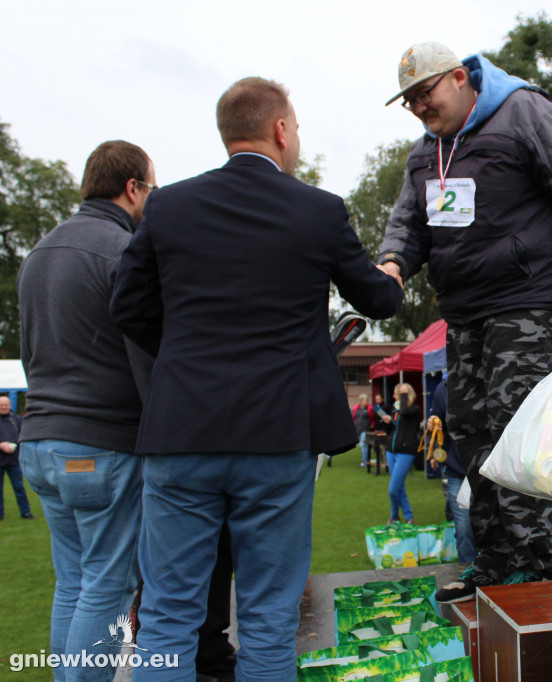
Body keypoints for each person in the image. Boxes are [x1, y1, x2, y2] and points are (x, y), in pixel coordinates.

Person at [109, 77, 403, 680]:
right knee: (269, 618)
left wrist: (187, 356)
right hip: (277, 434)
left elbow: (127, 308)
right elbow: (376, 298)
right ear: (280, 130)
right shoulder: (317, 210)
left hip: (181, 431)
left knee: (166, 617)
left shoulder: (168, 206)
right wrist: (394, 271)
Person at [378, 41, 552, 602]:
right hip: (465, 312)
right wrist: (391, 263)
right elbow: (408, 223)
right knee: (473, 433)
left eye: (424, 94)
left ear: (459, 78)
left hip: (527, 300)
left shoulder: (524, 112)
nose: (419, 108)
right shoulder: (423, 152)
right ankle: (495, 560)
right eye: (409, 102)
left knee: (517, 429)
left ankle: (536, 563)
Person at [17, 140, 156, 681]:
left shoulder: (39, 253)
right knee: (107, 582)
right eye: (151, 187)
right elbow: (142, 353)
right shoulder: (120, 251)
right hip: (99, 445)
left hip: (40, 442)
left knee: (73, 580)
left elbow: (33, 352)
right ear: (131, 188)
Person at [426, 378, 475, 563]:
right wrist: (432, 423)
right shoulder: (444, 388)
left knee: (492, 528)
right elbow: (436, 419)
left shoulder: (489, 378)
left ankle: (492, 578)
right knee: (463, 529)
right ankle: (467, 572)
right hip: (457, 470)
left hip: (489, 471)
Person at [385, 383, 420, 525]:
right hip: (391, 451)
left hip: (405, 452)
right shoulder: (396, 410)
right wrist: (388, 422)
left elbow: (405, 412)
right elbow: (395, 430)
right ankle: (408, 517)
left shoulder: (413, 409)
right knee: (399, 487)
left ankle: (394, 516)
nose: (393, 396)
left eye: (396, 394)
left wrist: (404, 394)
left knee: (393, 489)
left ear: (404, 395)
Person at [0, 395, 33, 520]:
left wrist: (12, 444)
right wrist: (1, 445)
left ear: (10, 405)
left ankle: (25, 512)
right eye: (1, 405)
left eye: (6, 405)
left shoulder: (17, 419)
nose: (3, 407)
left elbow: (23, 434)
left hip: (14, 460)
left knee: (19, 487)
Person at [352, 393, 372, 467]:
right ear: (360, 401)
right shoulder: (356, 408)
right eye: (365, 401)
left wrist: (372, 425)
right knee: (361, 445)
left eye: (367, 400)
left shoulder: (369, 409)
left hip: (365, 429)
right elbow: (353, 417)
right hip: (357, 429)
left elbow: (372, 418)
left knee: (363, 444)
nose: (366, 402)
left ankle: (365, 462)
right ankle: (365, 459)